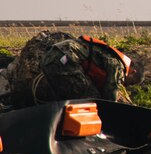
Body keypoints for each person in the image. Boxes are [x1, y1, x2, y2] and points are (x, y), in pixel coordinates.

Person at [6, 31, 143, 106]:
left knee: (64, 95)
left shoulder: (111, 56)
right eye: (130, 82)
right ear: (133, 72)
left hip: (51, 56)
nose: (126, 84)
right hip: (64, 58)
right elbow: (110, 92)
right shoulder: (119, 65)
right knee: (92, 97)